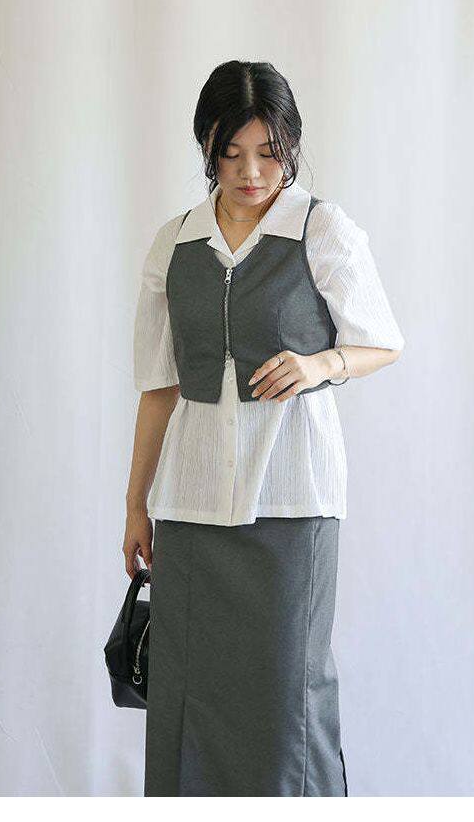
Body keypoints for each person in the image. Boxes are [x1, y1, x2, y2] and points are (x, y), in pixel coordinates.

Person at [123, 60, 405, 796]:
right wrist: (136, 505)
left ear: (291, 147)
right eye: (231, 153)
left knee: (288, 705)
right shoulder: (175, 245)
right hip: (188, 508)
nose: (251, 173)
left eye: (269, 153)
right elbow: (158, 387)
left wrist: (321, 365)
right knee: (188, 699)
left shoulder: (320, 229)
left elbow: (383, 340)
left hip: (291, 502)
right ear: (206, 148)